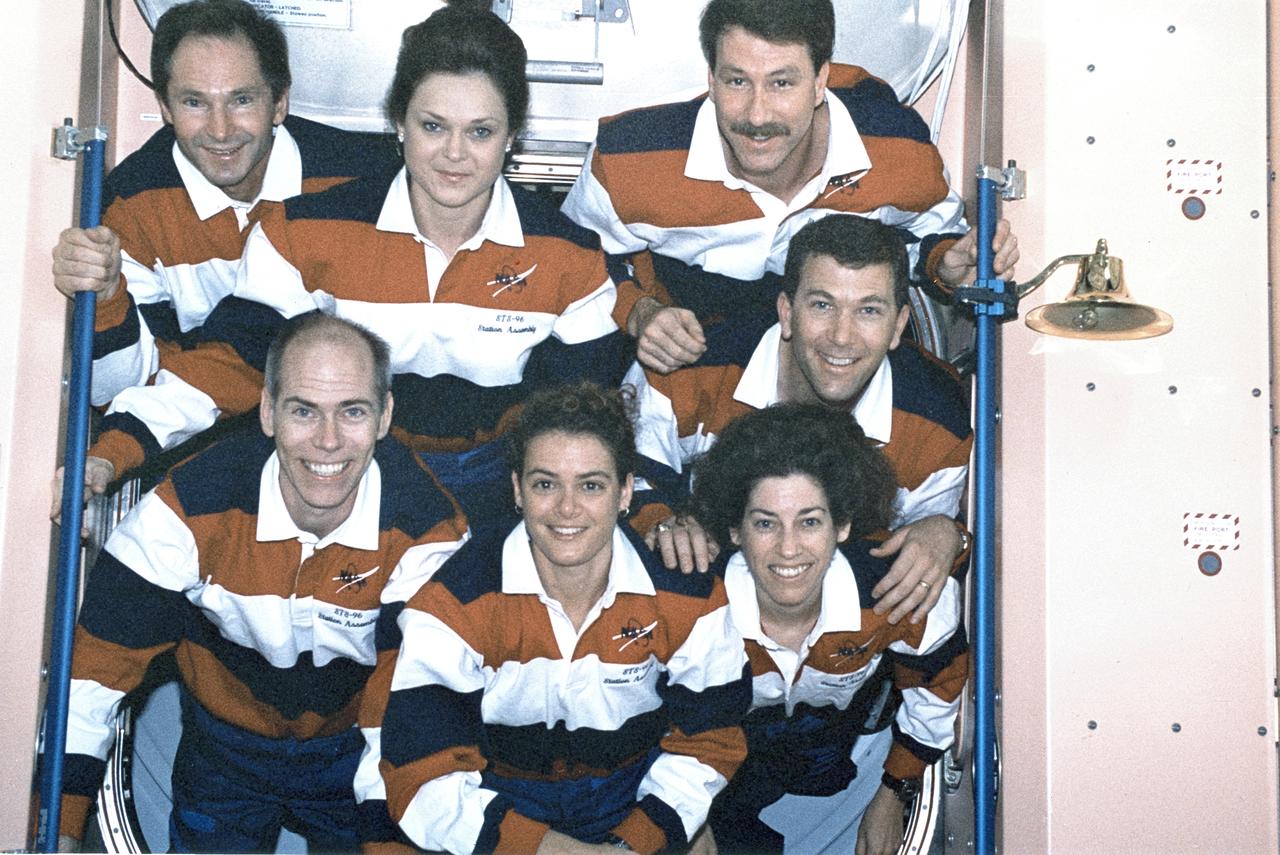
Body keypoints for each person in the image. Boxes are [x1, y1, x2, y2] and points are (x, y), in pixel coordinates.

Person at [121, 2, 623, 527]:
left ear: (511, 136)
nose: (454, 154)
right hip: (353, 478)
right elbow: (232, 365)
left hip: (501, 486)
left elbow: (581, 420)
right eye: (433, 126)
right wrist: (117, 448)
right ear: (399, 124)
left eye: (480, 132)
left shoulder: (569, 256)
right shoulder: (304, 231)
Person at [52, 313, 468, 852]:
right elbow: (91, 680)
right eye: (303, 410)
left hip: (355, 750)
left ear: (385, 415)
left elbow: (414, 712)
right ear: (267, 411)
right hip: (223, 752)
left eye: (353, 411)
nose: (328, 441)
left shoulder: (428, 531)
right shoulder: (187, 513)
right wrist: (59, 829)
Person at [371, 382, 751, 854]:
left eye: (591, 485)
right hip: (499, 800)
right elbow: (423, 771)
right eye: (545, 484)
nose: (567, 508)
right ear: (517, 489)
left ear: (626, 491)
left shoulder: (687, 596)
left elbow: (710, 741)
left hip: (635, 789)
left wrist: (639, 840)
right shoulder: (455, 603)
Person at [49, 0, 399, 506]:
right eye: (194, 102)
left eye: (241, 100)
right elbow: (124, 387)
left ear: (280, 102)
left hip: (353, 437)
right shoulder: (132, 205)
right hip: (192, 441)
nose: (219, 130)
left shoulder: (360, 181)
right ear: (165, 107)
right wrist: (106, 297)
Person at [561, 0, 1019, 374]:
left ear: (821, 81)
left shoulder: (896, 147)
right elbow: (565, 263)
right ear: (711, 78)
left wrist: (947, 264)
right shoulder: (630, 158)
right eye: (737, 81)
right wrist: (639, 312)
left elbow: (926, 240)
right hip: (687, 350)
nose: (757, 116)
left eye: (782, 83)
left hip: (827, 349)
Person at [630, 215, 971, 625]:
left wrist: (945, 533)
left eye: (868, 310)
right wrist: (661, 520)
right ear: (787, 311)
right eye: (822, 305)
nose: (842, 337)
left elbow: (921, 555)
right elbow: (621, 474)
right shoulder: (689, 365)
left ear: (898, 325)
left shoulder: (937, 416)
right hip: (697, 606)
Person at [686, 403, 967, 854]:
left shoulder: (891, 592)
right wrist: (689, 823)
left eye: (810, 521)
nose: (789, 548)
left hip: (840, 754)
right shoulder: (692, 606)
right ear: (734, 530)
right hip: (716, 759)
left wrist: (896, 789)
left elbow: (939, 683)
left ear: (843, 525)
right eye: (765, 523)